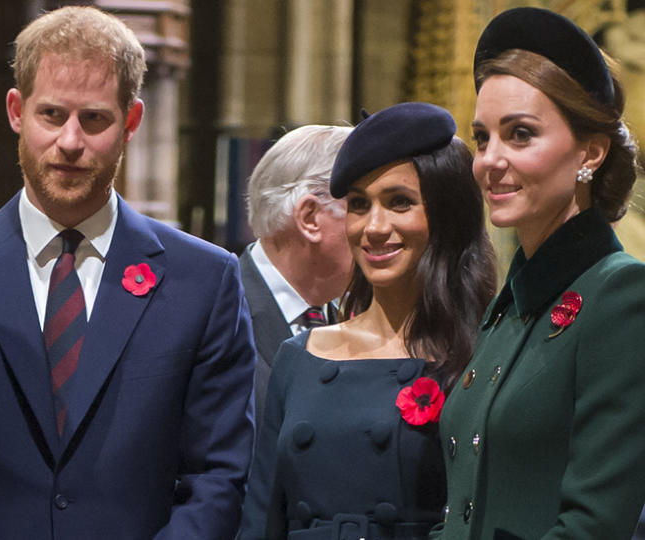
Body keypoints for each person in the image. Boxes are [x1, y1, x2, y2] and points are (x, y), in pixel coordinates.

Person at [0, 6, 255, 540]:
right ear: (16, 111)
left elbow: (218, 477)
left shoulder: (204, 281)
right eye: (51, 115)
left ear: (132, 121)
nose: (70, 142)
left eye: (94, 119)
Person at [239, 102, 495, 540]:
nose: (374, 227)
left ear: (447, 215)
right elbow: (262, 517)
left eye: (400, 202)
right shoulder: (300, 356)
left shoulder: (486, 350)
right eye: (358, 204)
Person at [436, 7, 645, 539]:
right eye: (483, 138)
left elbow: (593, 526)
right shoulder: (508, 304)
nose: (491, 160)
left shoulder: (620, 295)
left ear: (590, 153)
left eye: (521, 134)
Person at [241, 125, 354, 433]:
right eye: (361, 206)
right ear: (310, 218)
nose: (378, 226)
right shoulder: (215, 312)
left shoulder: (355, 318)